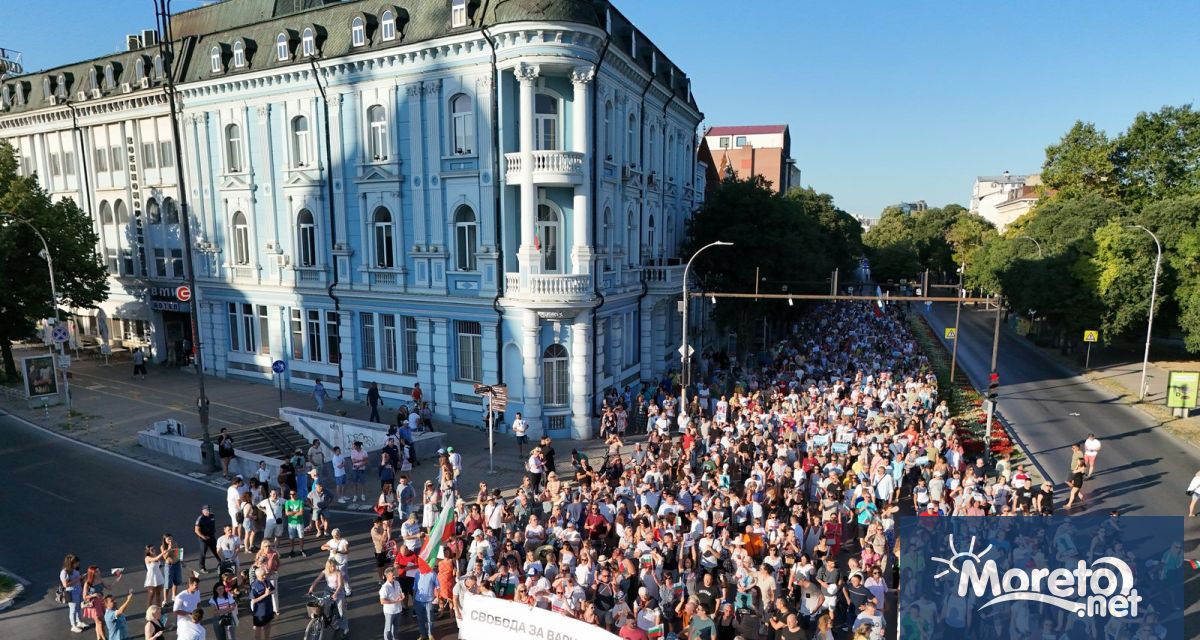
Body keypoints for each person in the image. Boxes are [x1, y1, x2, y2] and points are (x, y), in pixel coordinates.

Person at [307, 559, 350, 638]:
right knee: (323, 606)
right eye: (331, 566)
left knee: (341, 611)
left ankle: (345, 628)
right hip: (328, 590)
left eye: (334, 566)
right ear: (328, 567)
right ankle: (331, 622)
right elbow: (316, 580)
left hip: (338, 592)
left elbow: (340, 585)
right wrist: (311, 589)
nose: (333, 568)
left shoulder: (338, 573)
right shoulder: (325, 572)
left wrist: (335, 594)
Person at [61, 554, 86, 633]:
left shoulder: (75, 570)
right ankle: (73, 626)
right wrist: (79, 578)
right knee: (73, 610)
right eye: (76, 563)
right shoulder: (64, 572)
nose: (77, 564)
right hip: (71, 593)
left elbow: (79, 580)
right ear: (70, 563)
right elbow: (65, 585)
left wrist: (82, 579)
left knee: (78, 608)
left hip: (78, 591)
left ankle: (79, 622)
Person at [249, 566, 275, 640]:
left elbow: (273, 590)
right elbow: (253, 600)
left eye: (265, 574)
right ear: (257, 576)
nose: (264, 576)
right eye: (262, 575)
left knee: (268, 625)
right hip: (260, 612)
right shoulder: (254, 585)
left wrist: (271, 592)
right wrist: (265, 594)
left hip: (269, 608)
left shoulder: (267, 580)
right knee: (258, 629)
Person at [414, 565, 439, 640]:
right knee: (420, 619)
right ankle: (423, 634)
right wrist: (414, 599)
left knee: (430, 618)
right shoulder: (417, 573)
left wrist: (437, 597)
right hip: (418, 600)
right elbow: (415, 586)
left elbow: (437, 586)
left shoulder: (432, 573)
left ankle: (430, 634)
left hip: (429, 600)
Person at [82, 565, 107, 640]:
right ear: (92, 573)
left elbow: (109, 587)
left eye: (99, 570)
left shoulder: (100, 580)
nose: (98, 572)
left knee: (99, 622)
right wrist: (94, 595)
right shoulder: (88, 583)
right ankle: (103, 638)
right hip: (93, 604)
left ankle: (99, 638)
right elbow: (84, 597)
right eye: (96, 571)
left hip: (101, 602)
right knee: (99, 622)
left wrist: (117, 579)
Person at [380, 567, 405, 640]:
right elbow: (382, 601)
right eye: (392, 575)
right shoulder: (384, 588)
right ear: (387, 576)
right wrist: (395, 601)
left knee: (396, 627)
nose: (394, 576)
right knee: (388, 629)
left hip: (398, 610)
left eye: (394, 574)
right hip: (389, 612)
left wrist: (402, 595)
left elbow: (400, 592)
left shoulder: (397, 583)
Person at [194, 505, 220, 573]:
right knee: (203, 553)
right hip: (203, 538)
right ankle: (202, 568)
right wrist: (203, 537)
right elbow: (196, 530)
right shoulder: (200, 518)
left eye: (209, 510)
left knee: (217, 550)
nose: (208, 511)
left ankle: (221, 564)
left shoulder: (212, 515)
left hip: (211, 536)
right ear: (203, 511)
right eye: (207, 510)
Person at [284, 489, 307, 558]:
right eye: (291, 494)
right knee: (291, 538)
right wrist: (296, 512)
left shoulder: (300, 501)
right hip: (291, 523)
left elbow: (301, 513)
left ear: (296, 494)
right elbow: (287, 513)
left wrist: (292, 513)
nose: (292, 495)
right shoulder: (287, 502)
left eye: (293, 494)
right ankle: (292, 550)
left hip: (300, 522)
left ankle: (301, 550)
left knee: (301, 537)